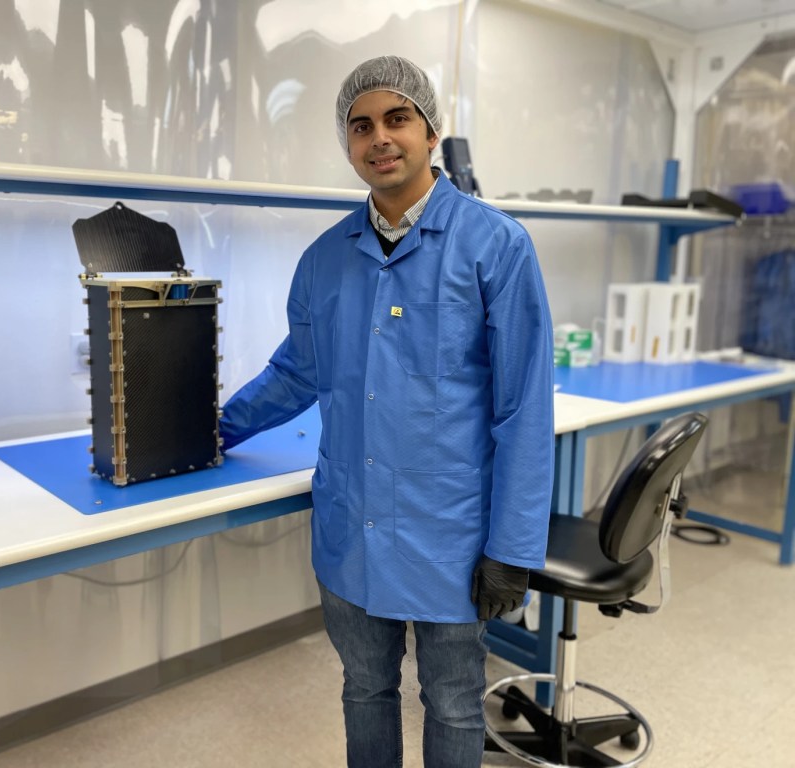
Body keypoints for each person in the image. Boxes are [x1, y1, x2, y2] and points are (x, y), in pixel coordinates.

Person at [219, 55, 553, 768]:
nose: (380, 138)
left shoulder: (496, 247)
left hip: (452, 532)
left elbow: (524, 408)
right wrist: (214, 427)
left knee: (455, 697)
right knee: (365, 687)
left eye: (397, 118)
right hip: (353, 521)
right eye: (360, 125)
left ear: (432, 133)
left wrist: (512, 548)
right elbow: (296, 373)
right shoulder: (323, 260)